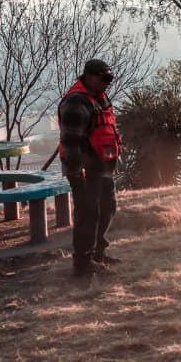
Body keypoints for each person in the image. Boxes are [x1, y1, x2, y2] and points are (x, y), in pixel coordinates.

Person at [58, 59, 123, 277]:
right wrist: (77, 171)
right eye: (104, 78)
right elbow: (70, 142)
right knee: (88, 213)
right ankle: (83, 263)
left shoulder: (99, 98)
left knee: (107, 207)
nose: (107, 83)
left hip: (101, 167)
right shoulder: (76, 102)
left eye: (109, 79)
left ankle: (98, 253)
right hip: (83, 170)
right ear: (89, 76)